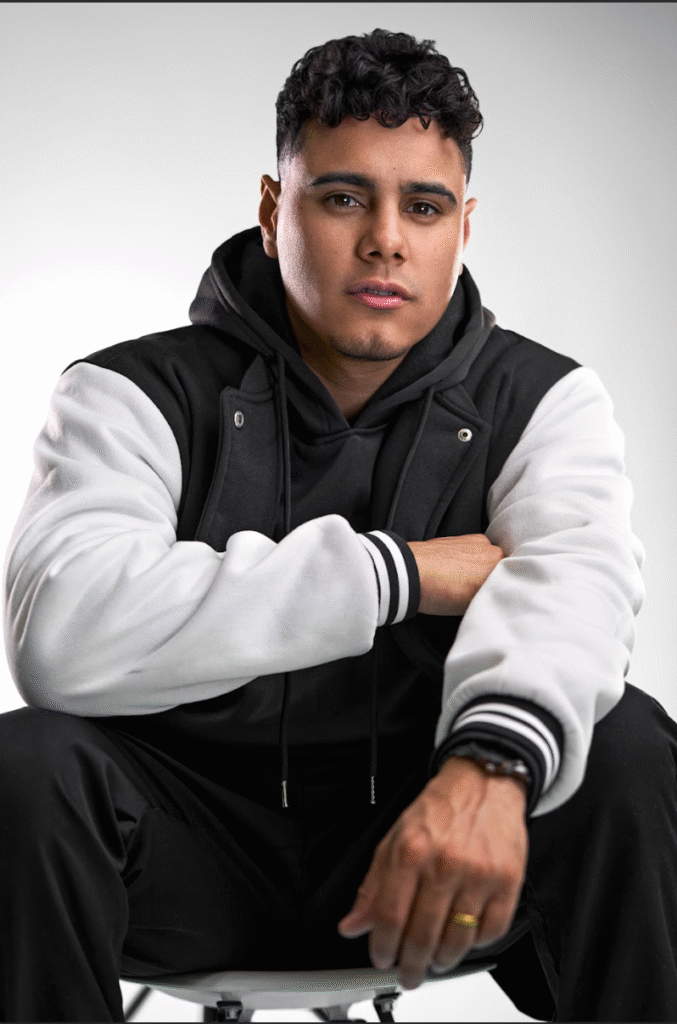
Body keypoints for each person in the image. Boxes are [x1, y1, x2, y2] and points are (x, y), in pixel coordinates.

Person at [1, 26, 676, 1024]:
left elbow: (576, 598)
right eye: (343, 197)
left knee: (626, 743)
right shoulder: (128, 391)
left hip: (424, 853)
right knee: (25, 765)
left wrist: (490, 768)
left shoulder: (543, 399)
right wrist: (400, 574)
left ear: (463, 227)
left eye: (423, 207)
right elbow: (62, 639)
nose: (385, 241)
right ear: (272, 208)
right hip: (179, 868)